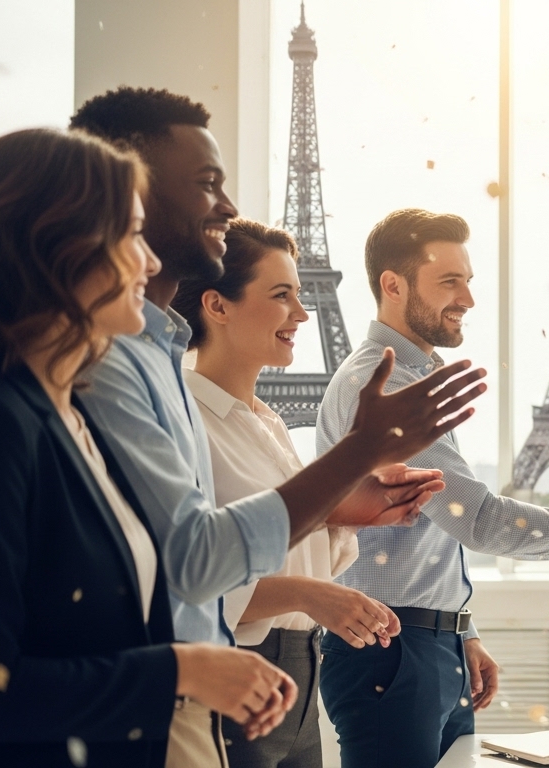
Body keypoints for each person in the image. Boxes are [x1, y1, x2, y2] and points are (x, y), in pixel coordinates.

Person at [70, 87, 485, 767]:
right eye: (206, 184)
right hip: (203, 676)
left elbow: (204, 550)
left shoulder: (193, 383)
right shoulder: (123, 375)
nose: (227, 207)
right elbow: (189, 563)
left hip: (267, 669)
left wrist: (339, 507)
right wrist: (355, 457)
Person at [0, 129, 292, 767]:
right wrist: (178, 672)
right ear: (63, 247)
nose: (152, 262)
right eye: (131, 236)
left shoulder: (64, 419)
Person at [314, 208, 549, 768]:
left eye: (469, 280)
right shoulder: (375, 385)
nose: (469, 299)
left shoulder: (414, 380)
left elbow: (435, 528)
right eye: (449, 281)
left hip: (424, 647)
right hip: (391, 651)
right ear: (393, 285)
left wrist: (461, 630)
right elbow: (474, 519)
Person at [172, 219, 418, 767]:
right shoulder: (185, 424)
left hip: (304, 673)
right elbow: (187, 582)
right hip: (238, 673)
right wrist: (304, 594)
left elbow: (291, 547)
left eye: (301, 296)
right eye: (281, 295)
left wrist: (345, 511)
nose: (302, 314)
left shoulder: (269, 423)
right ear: (217, 306)